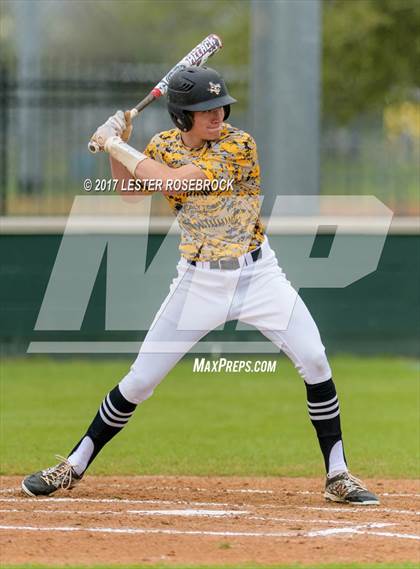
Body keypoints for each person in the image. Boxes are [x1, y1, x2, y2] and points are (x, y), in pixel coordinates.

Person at [22, 66, 379, 505]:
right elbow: (130, 191)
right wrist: (119, 146)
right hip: (197, 281)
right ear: (180, 117)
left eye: (220, 105)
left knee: (315, 359)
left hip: (258, 274)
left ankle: (338, 475)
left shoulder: (238, 145)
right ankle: (71, 466)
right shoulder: (163, 146)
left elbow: (174, 182)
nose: (217, 114)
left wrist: (116, 142)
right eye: (204, 109)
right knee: (139, 382)